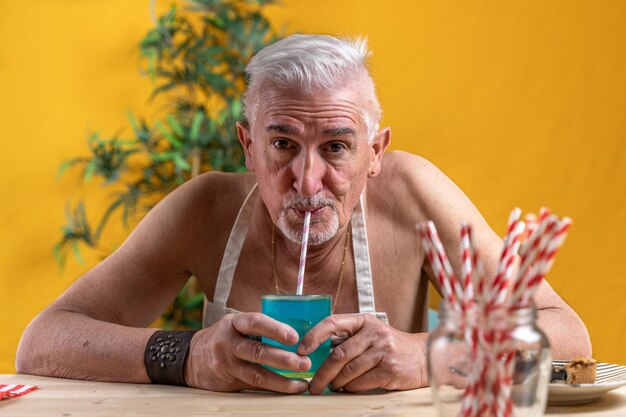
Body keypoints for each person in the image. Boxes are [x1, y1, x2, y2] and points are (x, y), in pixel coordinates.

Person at [16, 34, 591, 395]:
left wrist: (424, 356)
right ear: (248, 145)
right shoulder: (204, 208)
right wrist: (188, 356)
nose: (308, 179)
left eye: (337, 146)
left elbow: (566, 334)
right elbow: (44, 340)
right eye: (283, 144)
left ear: (376, 152)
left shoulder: (414, 195)